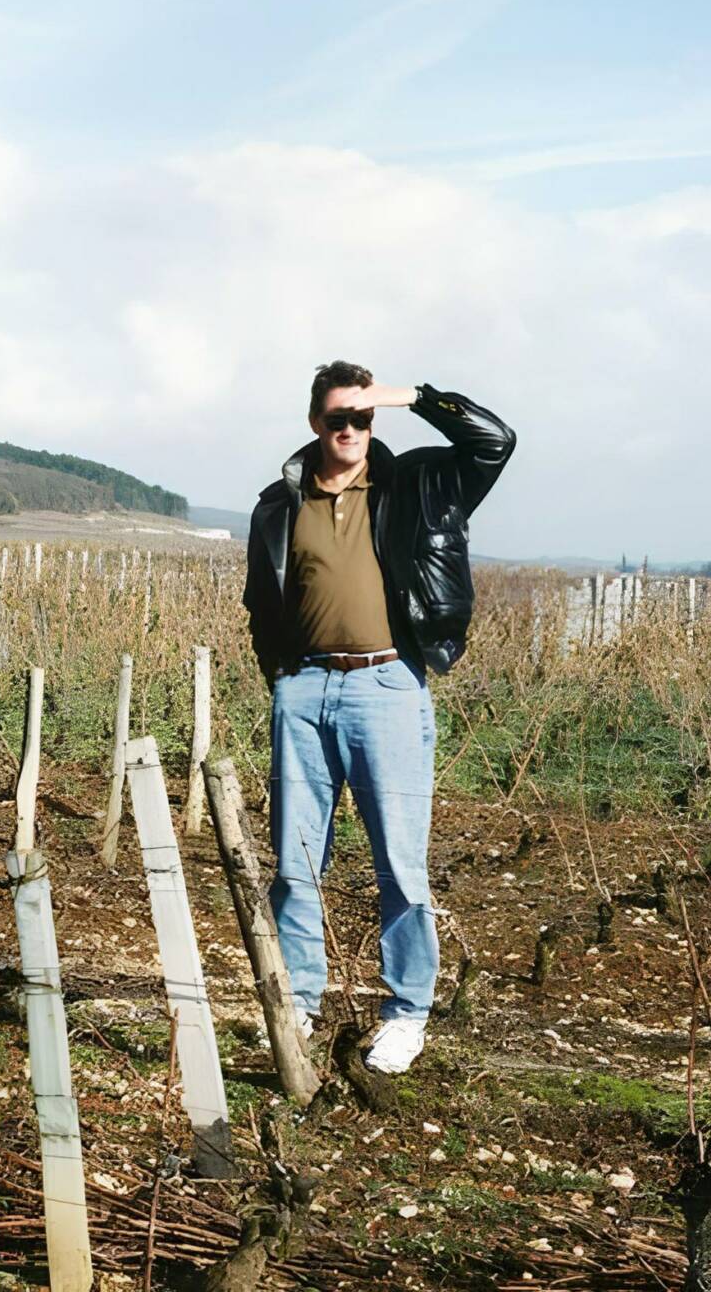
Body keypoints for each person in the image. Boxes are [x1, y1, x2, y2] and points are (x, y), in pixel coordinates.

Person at [242, 362, 516, 1074]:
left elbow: (493, 440)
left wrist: (410, 396)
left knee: (399, 864)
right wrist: (282, 676)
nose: (349, 430)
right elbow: (259, 601)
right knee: (296, 864)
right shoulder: (278, 504)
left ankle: (406, 1015)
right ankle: (298, 1004)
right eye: (337, 418)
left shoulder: (418, 485)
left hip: (387, 686)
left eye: (361, 418)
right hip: (302, 692)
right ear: (313, 423)